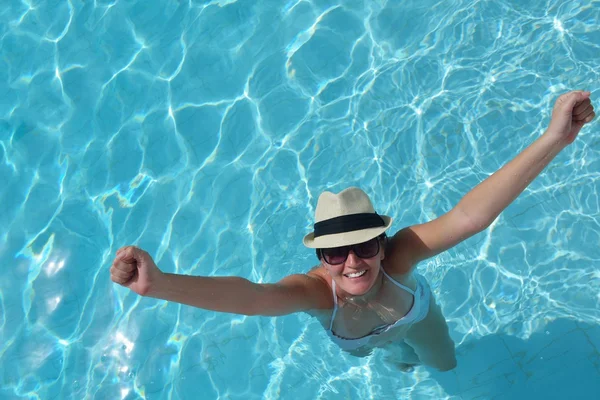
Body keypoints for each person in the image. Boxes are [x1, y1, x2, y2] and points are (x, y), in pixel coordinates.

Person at [110, 90, 595, 372]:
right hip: (363, 340)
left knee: (443, 366)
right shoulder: (318, 293)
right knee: (397, 366)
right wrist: (161, 285)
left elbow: (472, 215)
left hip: (419, 319)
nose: (352, 262)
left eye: (364, 246)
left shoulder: (401, 257)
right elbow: (252, 297)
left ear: (381, 244)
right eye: (334, 253)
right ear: (320, 257)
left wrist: (554, 138)